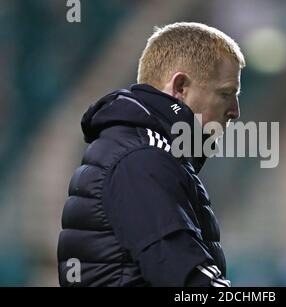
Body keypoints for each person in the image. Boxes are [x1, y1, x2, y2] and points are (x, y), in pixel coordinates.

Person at [57, 22, 245, 287]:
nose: (235, 111)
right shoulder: (143, 159)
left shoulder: (142, 150)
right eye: (226, 94)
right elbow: (187, 280)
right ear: (180, 87)